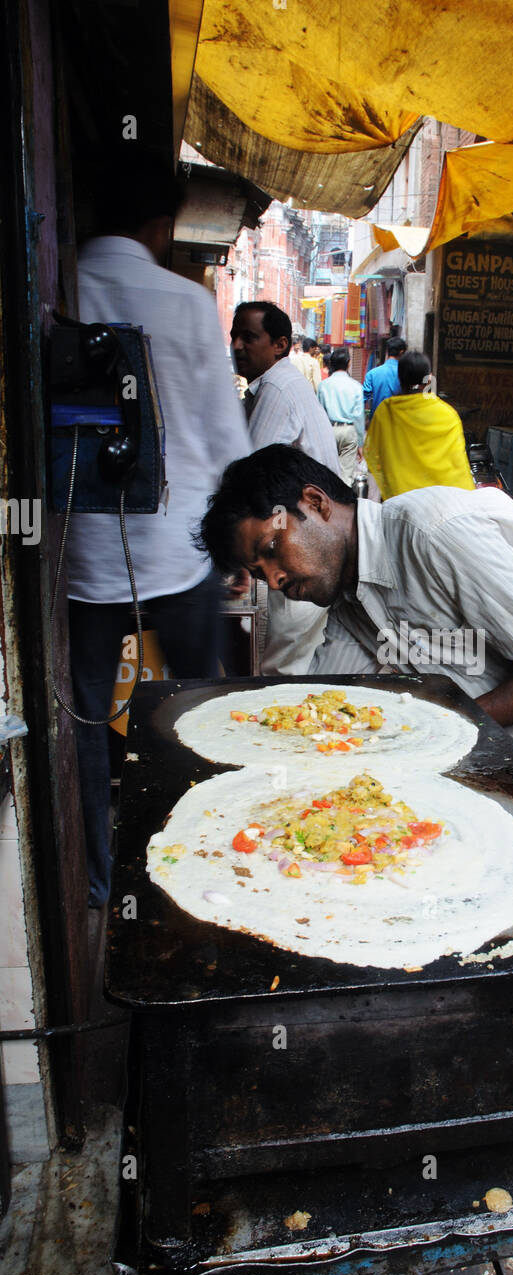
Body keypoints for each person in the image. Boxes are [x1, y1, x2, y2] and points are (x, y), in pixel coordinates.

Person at [196, 446, 513, 1275]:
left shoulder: (435, 530)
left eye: (271, 551)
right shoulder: (349, 599)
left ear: (315, 502)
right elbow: (336, 707)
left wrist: (452, 745)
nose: (275, 580)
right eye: (256, 572)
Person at [67, 149, 251, 907]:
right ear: (159, 226)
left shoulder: (60, 287)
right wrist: (235, 543)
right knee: (190, 708)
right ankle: (196, 855)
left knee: (82, 716)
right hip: (178, 552)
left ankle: (98, 883)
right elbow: (220, 437)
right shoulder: (184, 301)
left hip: (80, 555)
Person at [229, 302, 340, 673]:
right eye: (234, 336)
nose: (237, 346)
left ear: (279, 344)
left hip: (302, 545)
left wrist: (238, 558)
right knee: (292, 660)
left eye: (249, 337)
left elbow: (251, 480)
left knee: (283, 668)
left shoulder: (277, 386)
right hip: (307, 541)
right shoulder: (280, 385)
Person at [364, 351, 474, 499]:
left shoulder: (385, 411)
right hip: (441, 503)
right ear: (429, 380)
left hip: (400, 502)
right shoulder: (448, 414)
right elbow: (458, 464)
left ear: (400, 378)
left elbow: (373, 456)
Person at [317, 347, 365, 484]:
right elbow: (358, 417)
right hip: (348, 431)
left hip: (328, 430)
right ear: (349, 363)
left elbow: (319, 413)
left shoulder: (323, 386)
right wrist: (360, 444)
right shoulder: (355, 386)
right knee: (346, 475)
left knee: (327, 472)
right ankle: (343, 502)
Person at [363, 336, 406, 422]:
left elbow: (362, 400)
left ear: (387, 352)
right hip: (399, 423)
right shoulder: (406, 373)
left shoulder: (372, 374)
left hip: (377, 423)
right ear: (402, 352)